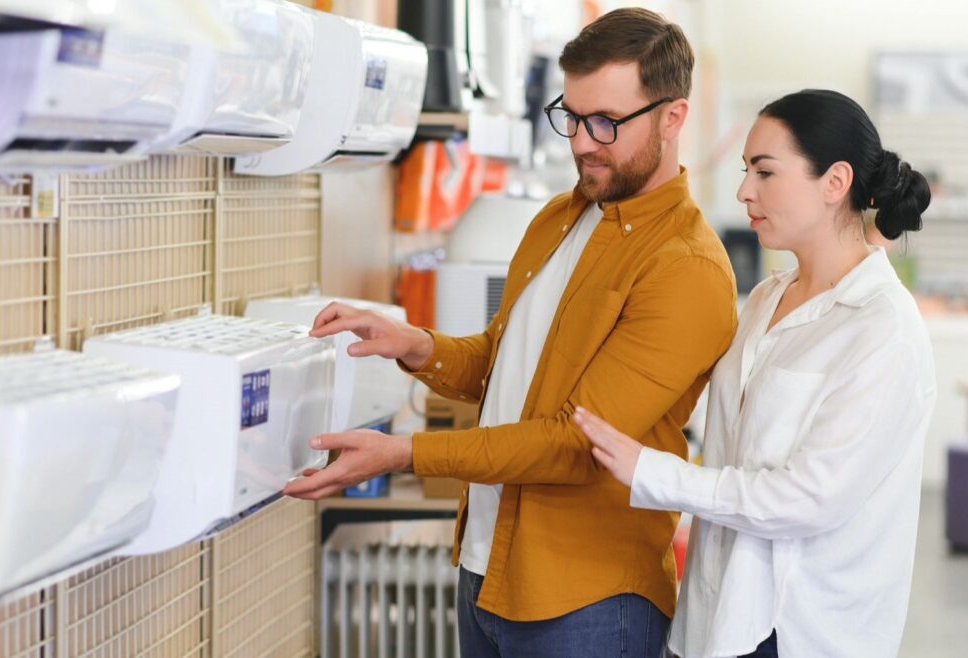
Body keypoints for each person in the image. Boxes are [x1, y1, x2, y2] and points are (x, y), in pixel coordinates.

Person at [284, 7, 738, 657]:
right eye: (572, 116)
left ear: (673, 117)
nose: (582, 142)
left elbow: (572, 445)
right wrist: (417, 343)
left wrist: (407, 455)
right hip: (486, 569)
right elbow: (508, 364)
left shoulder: (685, 269)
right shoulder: (559, 217)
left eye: (607, 122)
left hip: (590, 602)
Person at [573, 88, 936, 658]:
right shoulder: (767, 298)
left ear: (835, 183)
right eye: (747, 171)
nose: (745, 191)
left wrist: (656, 474)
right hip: (714, 619)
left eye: (765, 172)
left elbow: (807, 499)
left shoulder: (882, 329)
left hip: (798, 631)